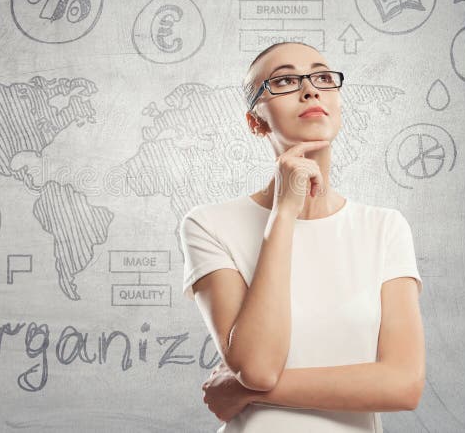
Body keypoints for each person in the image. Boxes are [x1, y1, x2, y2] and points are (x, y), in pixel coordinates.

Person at [179, 42, 425, 432]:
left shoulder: (385, 227)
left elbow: (403, 385)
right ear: (255, 121)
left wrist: (243, 391)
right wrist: (284, 212)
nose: (310, 89)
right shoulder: (209, 225)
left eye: (322, 77)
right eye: (285, 81)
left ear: (338, 104)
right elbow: (258, 366)